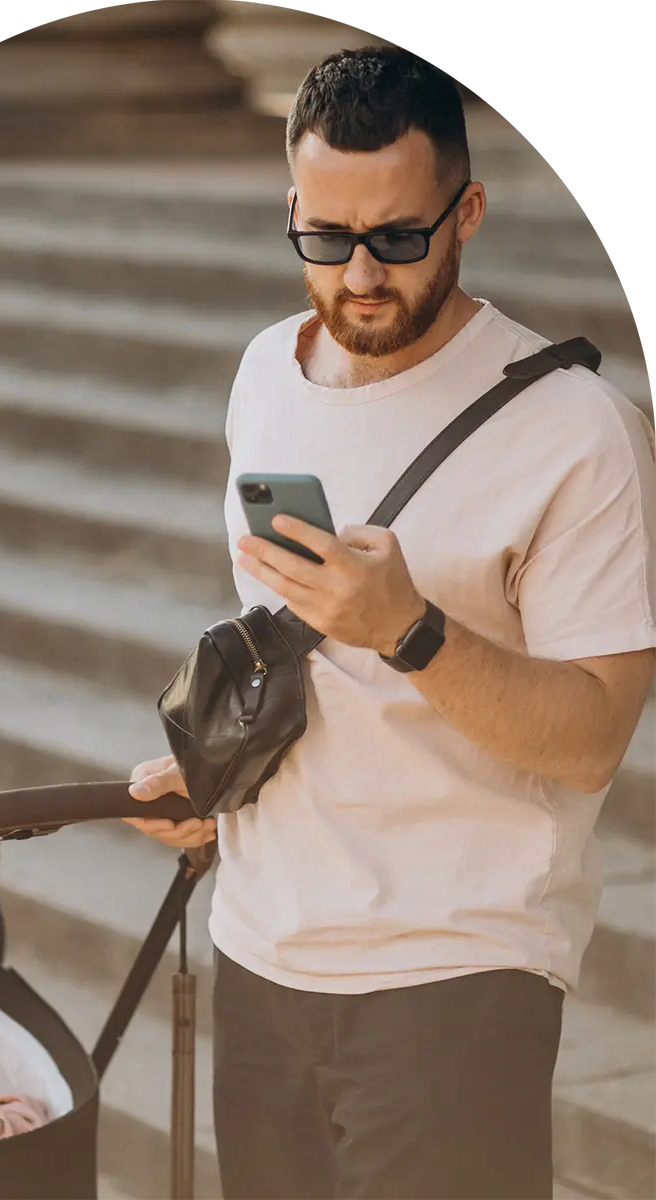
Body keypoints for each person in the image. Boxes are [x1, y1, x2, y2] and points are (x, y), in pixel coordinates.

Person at [125, 45, 656, 1200]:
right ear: (292, 211)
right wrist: (213, 775)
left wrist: (411, 629)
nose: (359, 273)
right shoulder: (268, 370)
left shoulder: (580, 433)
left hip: (458, 969)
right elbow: (287, 639)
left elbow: (594, 736)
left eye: (398, 239)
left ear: (466, 212)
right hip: (262, 947)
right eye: (325, 237)